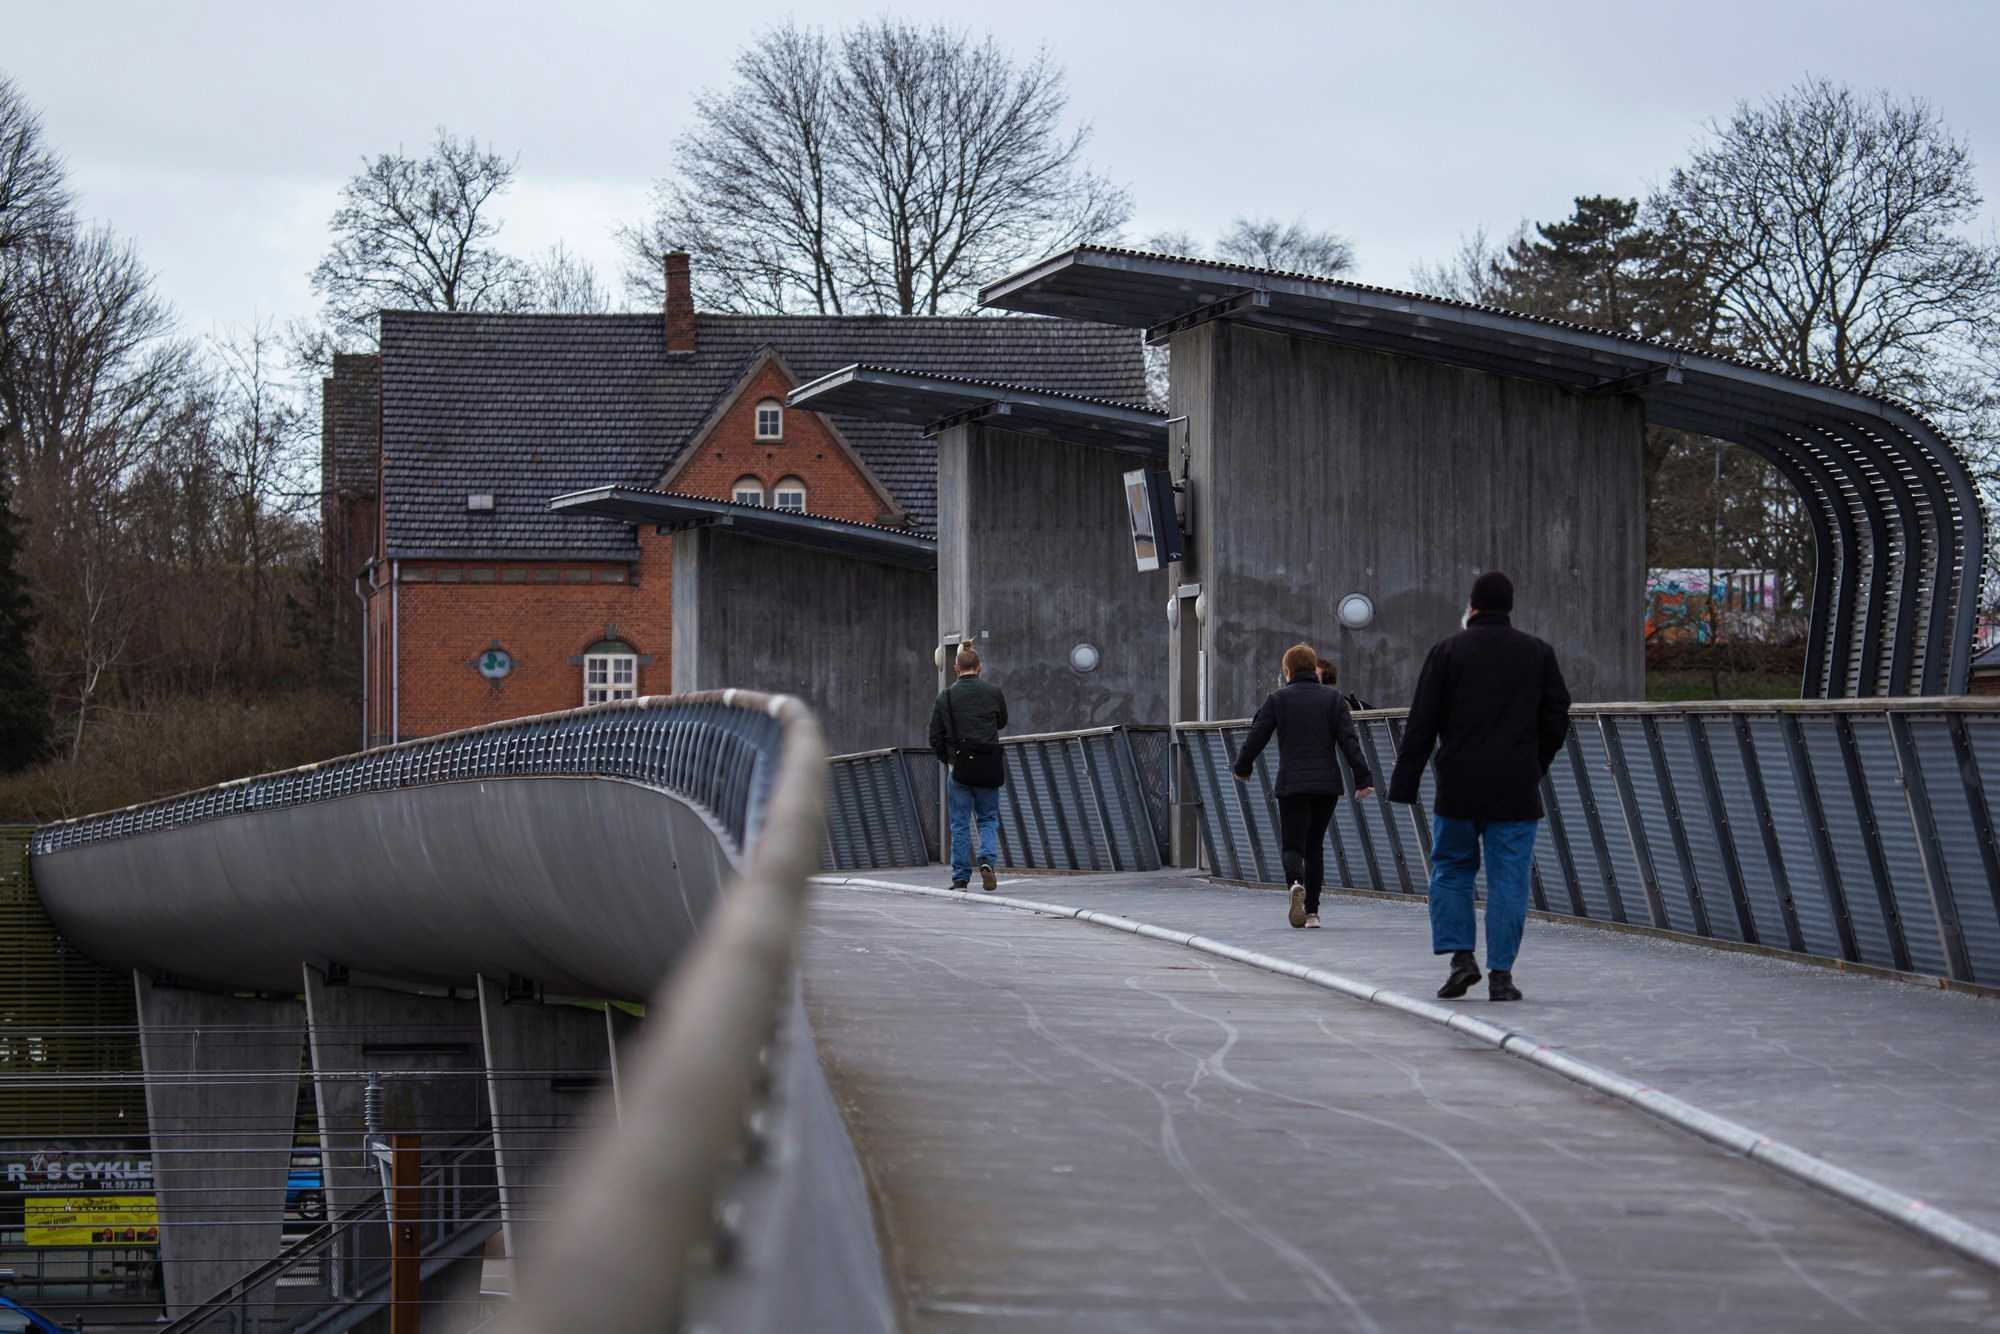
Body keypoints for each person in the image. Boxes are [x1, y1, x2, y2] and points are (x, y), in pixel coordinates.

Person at [1388, 571, 1571, 1003]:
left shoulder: (1448, 651)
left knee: (1451, 870)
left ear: (1472, 606)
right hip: (1516, 789)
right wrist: (1535, 763)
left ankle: (1461, 957)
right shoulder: (1538, 653)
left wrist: (1405, 782)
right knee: (1509, 880)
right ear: (1509, 607)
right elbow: (1557, 716)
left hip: (1458, 786)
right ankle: (1501, 975)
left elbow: (1422, 722)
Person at [1232, 643, 1374, 929]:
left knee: (1292, 845)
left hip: (1292, 783)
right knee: (1315, 846)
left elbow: (1256, 736)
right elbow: (1349, 742)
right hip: (1326, 786)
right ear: (1314, 669)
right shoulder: (1334, 700)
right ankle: (1312, 913)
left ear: (1288, 670)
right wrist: (1363, 779)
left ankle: (1295, 884)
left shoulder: (1277, 700)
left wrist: (1243, 767)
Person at [928, 644, 1008, 892]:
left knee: (960, 822)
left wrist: (948, 760)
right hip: (988, 765)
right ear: (979, 667)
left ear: (955, 668)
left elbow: (935, 735)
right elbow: (1002, 722)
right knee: (988, 818)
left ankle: (960, 879)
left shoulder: (946, 697)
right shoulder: (993, 692)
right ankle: (986, 861)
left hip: (959, 766)